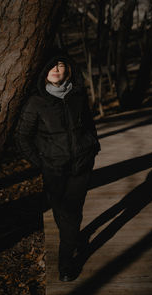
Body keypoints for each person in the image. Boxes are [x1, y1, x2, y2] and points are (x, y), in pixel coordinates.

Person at [15, 50, 100, 282]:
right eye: (52, 66)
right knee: (61, 212)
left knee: (72, 214)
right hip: (53, 169)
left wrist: (93, 146)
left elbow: (89, 125)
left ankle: (65, 263)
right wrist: (41, 161)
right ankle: (72, 238)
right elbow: (22, 137)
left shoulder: (78, 95)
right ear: (44, 72)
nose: (56, 69)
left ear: (68, 70)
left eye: (61, 65)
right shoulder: (36, 102)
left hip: (81, 165)